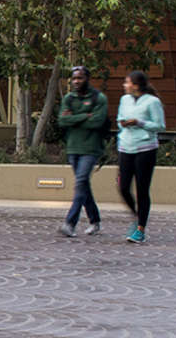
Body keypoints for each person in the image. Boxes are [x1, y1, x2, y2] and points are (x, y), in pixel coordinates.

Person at [55, 65, 110, 237]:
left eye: (80, 78)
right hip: (73, 147)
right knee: (84, 185)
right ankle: (95, 221)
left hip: (91, 148)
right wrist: (85, 116)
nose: (76, 81)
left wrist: (74, 119)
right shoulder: (69, 98)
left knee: (80, 183)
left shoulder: (98, 98)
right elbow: (62, 121)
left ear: (87, 79)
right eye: (74, 78)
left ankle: (69, 223)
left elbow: (97, 121)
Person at [115, 70, 165, 244]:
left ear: (136, 85)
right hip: (125, 147)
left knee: (142, 189)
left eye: (127, 82)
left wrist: (139, 122)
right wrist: (123, 123)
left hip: (145, 149)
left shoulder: (152, 102)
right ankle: (136, 215)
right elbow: (119, 120)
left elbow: (159, 125)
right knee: (123, 187)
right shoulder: (124, 100)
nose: (124, 85)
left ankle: (140, 229)